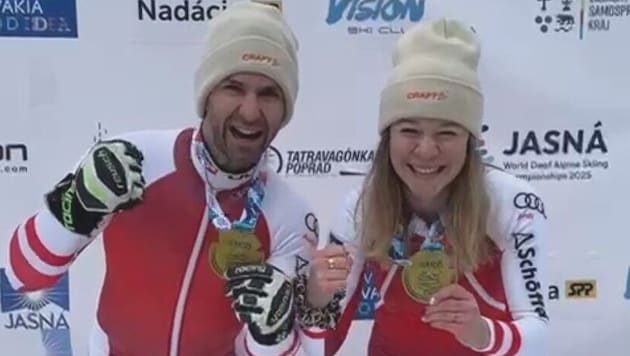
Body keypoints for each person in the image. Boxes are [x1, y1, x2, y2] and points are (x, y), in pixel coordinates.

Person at [3, 1, 331, 355]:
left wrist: (272, 333)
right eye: (234, 87)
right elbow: (23, 275)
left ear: (285, 111)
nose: (250, 112)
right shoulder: (131, 160)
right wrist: (76, 204)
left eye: (269, 94)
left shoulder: (292, 217)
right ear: (206, 95)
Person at [313, 18, 550, 355]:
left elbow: (538, 333)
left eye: (446, 133)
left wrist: (481, 332)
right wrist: (312, 301)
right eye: (409, 130)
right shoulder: (362, 207)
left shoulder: (512, 203)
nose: (426, 150)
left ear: (471, 141)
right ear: (387, 137)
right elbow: (322, 343)